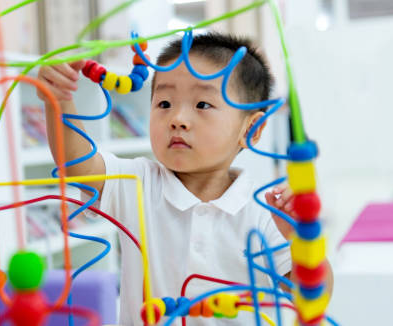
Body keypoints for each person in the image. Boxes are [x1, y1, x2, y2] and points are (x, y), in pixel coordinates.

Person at [36, 32, 332, 325]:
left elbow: (312, 294)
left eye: (202, 105)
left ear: (251, 130)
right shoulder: (138, 181)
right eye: (164, 103)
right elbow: (77, 165)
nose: (177, 119)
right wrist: (58, 100)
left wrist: (300, 239)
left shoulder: (265, 212)